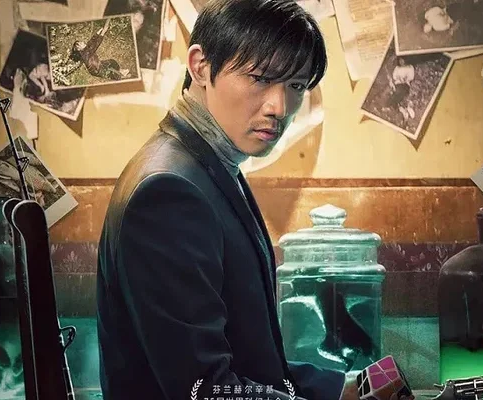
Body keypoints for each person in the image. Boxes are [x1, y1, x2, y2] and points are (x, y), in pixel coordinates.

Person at [96, 0, 359, 399]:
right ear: (201, 66)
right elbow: (205, 388)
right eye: (260, 78)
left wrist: (343, 389)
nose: (279, 107)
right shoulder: (167, 191)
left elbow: (254, 361)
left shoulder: (208, 165)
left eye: (296, 86)